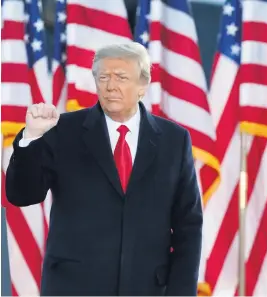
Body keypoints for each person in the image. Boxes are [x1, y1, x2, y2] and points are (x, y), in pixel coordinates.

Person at [5, 42, 203, 296]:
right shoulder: (62, 130)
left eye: (121, 77)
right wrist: (31, 137)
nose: (110, 86)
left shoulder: (174, 140)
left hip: (147, 289)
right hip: (73, 288)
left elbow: (188, 226)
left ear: (143, 85)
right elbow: (22, 194)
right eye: (103, 77)